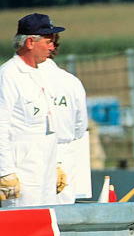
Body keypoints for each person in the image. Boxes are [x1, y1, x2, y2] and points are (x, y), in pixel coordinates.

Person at [0, 13, 65, 208]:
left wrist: (57, 163)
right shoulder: (9, 75)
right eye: (48, 41)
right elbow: (1, 125)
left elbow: (50, 126)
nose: (52, 47)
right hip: (22, 173)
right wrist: (5, 171)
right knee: (23, 228)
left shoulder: (42, 74)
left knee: (47, 224)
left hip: (45, 168)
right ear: (30, 42)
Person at [40, 32, 89, 204]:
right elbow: (80, 127)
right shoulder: (71, 82)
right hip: (64, 152)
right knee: (64, 218)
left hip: (27, 155)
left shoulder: (10, 77)